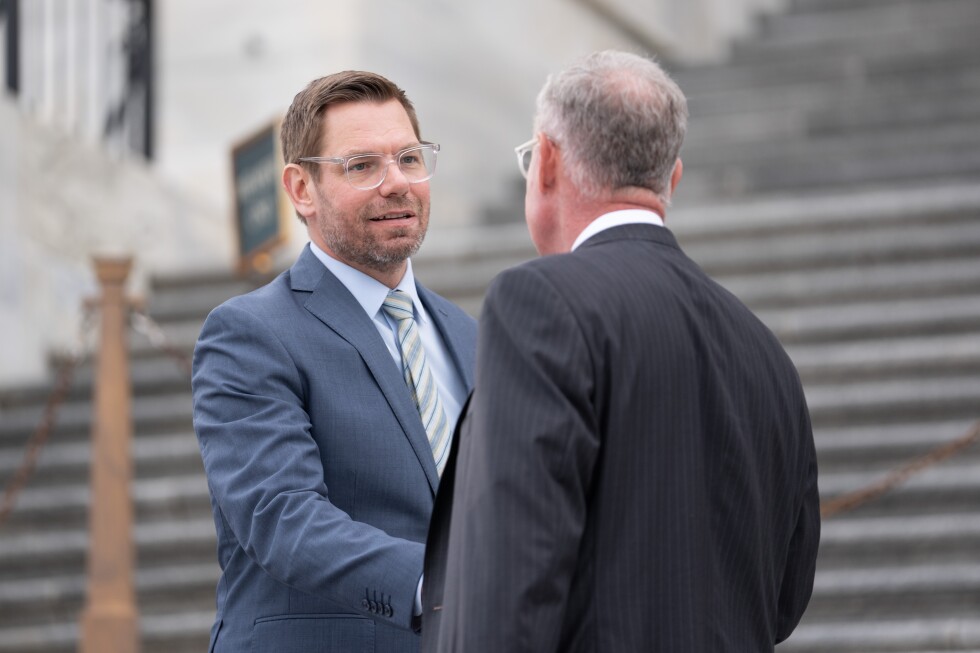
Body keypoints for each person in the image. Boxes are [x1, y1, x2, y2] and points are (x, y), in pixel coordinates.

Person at [422, 50, 820, 652]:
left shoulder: (541, 302)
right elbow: (785, 596)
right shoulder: (765, 352)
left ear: (546, 162)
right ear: (671, 179)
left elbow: (507, 584)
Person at [192, 71, 476, 653]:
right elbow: (282, 517)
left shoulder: (468, 335)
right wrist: (444, 585)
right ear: (301, 189)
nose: (397, 183)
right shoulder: (249, 334)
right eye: (361, 165)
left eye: (409, 158)